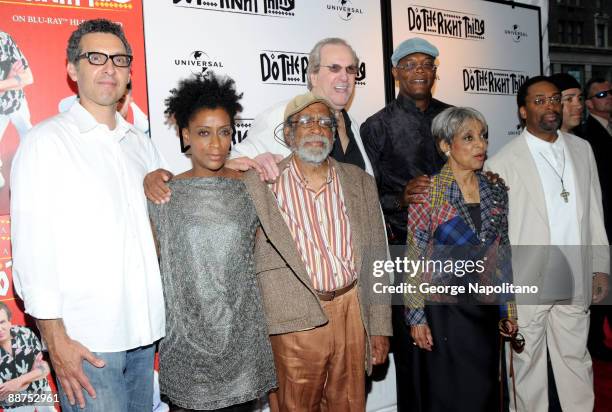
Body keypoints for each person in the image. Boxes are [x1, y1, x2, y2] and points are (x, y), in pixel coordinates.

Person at [10, 19, 165, 411]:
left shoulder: (141, 146)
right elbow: (32, 250)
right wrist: (56, 340)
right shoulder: (45, 143)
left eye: (119, 58)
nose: (109, 67)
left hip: (145, 338)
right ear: (72, 69)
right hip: (86, 344)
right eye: (95, 57)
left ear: (130, 70)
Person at [242, 92, 392, 411]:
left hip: (353, 312)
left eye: (325, 122)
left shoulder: (360, 182)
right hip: (294, 318)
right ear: (288, 132)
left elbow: (378, 258)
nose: (316, 129)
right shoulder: (262, 183)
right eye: (305, 121)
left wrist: (379, 327)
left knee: (349, 404)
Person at [149, 72, 276, 411]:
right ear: (185, 135)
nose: (216, 144)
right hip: (187, 351)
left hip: (242, 346)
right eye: (204, 133)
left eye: (224, 132)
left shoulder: (249, 188)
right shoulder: (163, 194)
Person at [486, 75, 610, 411]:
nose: (550, 106)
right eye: (539, 101)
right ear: (523, 111)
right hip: (529, 277)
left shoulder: (583, 150)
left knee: (576, 359)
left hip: (576, 272)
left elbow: (596, 213)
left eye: (555, 99)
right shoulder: (501, 163)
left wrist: (601, 268)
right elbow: (497, 236)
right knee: (527, 368)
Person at [144, 37, 373, 204]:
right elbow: (222, 159)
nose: (344, 76)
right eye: (334, 68)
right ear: (313, 75)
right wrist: (243, 164)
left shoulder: (351, 121)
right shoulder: (280, 116)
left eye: (351, 69)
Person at [404, 106, 517, 411]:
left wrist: (509, 308)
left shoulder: (496, 190)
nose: (480, 144)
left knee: (484, 393)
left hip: (484, 310)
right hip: (443, 313)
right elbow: (414, 257)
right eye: (468, 137)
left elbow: (502, 251)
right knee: (447, 394)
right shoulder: (428, 192)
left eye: (483, 136)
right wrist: (416, 318)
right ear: (445, 145)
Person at [359, 37, 452, 411]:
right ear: (395, 71)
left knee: (450, 342)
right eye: (410, 64)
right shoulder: (376, 126)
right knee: (413, 349)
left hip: (451, 249)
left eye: (426, 64)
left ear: (435, 72)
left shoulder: (454, 118)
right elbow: (366, 199)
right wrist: (400, 199)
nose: (419, 70)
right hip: (402, 251)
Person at [0, 303, 54, 412]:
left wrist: (18, 382)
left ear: (9, 321)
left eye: (2, 322)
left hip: (42, 394)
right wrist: (33, 375)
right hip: (14, 406)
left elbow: (45, 368)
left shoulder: (26, 334)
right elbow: (2, 395)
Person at [0, 30, 34, 188]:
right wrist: (11, 80)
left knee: (31, 138)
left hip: (16, 102)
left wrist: (6, 82)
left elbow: (28, 77)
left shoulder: (4, 39)